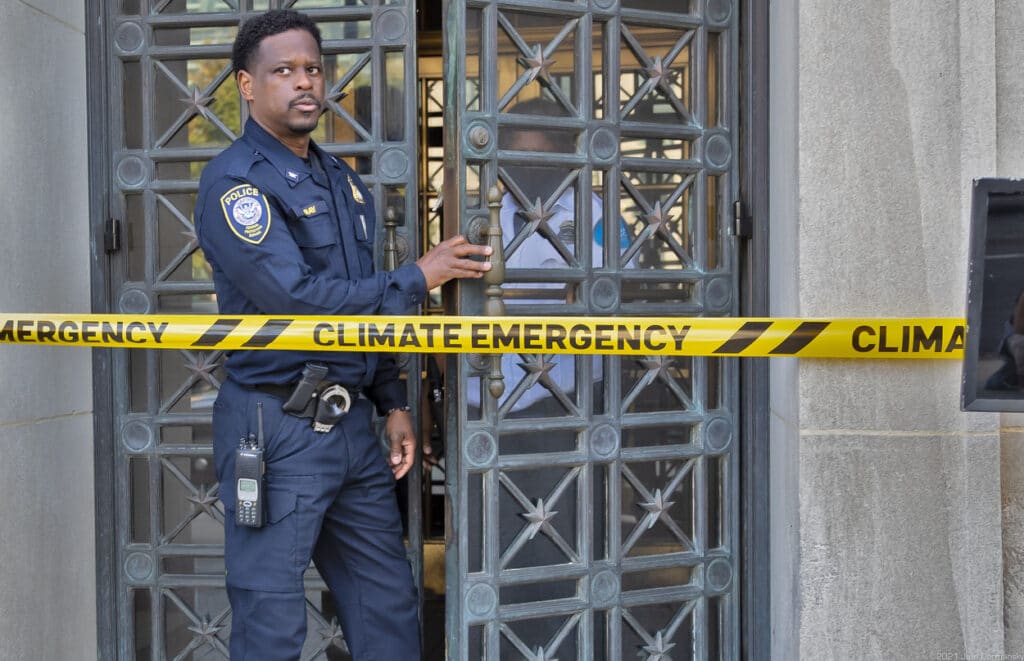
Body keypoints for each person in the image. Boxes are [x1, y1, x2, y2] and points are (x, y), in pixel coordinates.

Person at [193, 9, 491, 660]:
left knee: (385, 605)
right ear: (246, 85)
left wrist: (391, 401)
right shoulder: (234, 183)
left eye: (312, 69)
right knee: (272, 622)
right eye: (283, 72)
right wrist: (418, 275)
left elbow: (365, 311)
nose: (304, 83)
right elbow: (296, 297)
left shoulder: (343, 182)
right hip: (277, 428)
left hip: (353, 430)